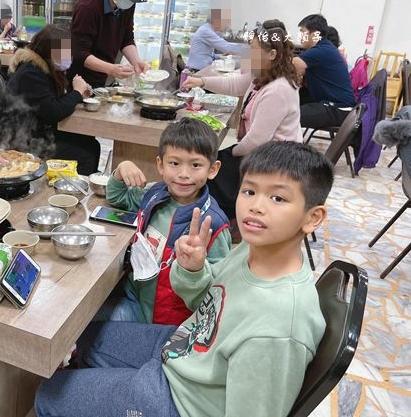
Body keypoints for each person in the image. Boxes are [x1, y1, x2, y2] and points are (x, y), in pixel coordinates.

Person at [35, 141, 331, 417]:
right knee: (80, 338)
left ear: (313, 217)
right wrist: (193, 270)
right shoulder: (255, 250)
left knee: (48, 396)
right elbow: (209, 304)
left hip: (183, 401)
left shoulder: (278, 330)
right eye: (250, 191)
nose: (256, 206)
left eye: (278, 197)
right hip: (181, 348)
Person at [101, 118, 231, 325]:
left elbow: (218, 290)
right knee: (84, 322)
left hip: (167, 322)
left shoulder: (213, 224)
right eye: (174, 163)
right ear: (160, 165)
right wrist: (121, 169)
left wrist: (195, 269)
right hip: (135, 296)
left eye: (196, 165)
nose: (183, 174)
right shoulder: (156, 192)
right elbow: (118, 197)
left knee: (90, 333)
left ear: (212, 169)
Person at [183, 19, 301, 222]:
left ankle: (222, 223)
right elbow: (235, 84)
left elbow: (255, 140)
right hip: (264, 153)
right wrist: (202, 81)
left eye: (254, 50)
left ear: (272, 55)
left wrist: (231, 152)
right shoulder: (264, 75)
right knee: (210, 162)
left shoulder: (278, 90)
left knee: (211, 168)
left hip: (277, 161)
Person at [0, 24, 100, 174]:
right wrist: (77, 92)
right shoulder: (31, 73)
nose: (68, 59)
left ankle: (72, 186)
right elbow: (54, 112)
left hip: (38, 130)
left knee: (90, 143)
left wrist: (78, 94)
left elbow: (52, 102)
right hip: (24, 142)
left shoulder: (44, 68)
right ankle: (69, 191)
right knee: (86, 153)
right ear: (47, 52)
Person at [68, 0, 149, 88]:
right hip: (81, 81)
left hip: (105, 80)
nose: (129, 0)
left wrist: (136, 61)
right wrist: (111, 69)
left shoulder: (127, 4)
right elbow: (79, 53)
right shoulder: (88, 7)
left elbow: (126, 38)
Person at [293, 14, 355, 129]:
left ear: (315, 33)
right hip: (332, 103)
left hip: (338, 109)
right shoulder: (324, 47)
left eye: (302, 32)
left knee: (289, 117)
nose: (300, 36)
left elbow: (294, 64)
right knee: (290, 102)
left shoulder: (322, 50)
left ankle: (285, 146)